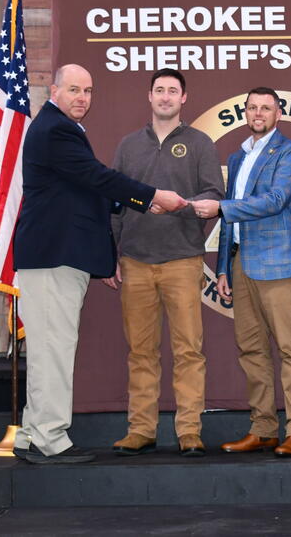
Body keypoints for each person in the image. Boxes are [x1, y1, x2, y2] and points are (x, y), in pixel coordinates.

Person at [11, 63, 186, 465]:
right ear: (53, 90)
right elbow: (96, 177)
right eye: (73, 89)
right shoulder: (56, 129)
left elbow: (84, 190)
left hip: (52, 256)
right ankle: (50, 439)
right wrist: (152, 195)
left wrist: (137, 204)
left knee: (47, 349)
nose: (82, 98)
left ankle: (32, 433)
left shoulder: (58, 129)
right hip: (54, 255)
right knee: (53, 349)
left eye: (88, 91)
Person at [102, 68, 224, 458]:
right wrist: (111, 254)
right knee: (141, 351)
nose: (166, 97)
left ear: (184, 98)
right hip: (135, 261)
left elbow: (212, 195)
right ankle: (141, 429)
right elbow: (115, 203)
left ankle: (189, 431)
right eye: (160, 90)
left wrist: (180, 205)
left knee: (189, 350)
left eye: (173, 91)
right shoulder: (128, 145)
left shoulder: (200, 142)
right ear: (149, 96)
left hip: (183, 260)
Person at [191, 87, 291, 457]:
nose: (258, 113)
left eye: (266, 108)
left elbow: (275, 201)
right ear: (245, 112)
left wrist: (222, 206)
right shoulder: (237, 157)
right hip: (241, 263)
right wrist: (223, 267)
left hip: (277, 262)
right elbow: (231, 220)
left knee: (290, 348)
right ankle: (262, 429)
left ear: (278, 114)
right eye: (252, 107)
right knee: (251, 350)